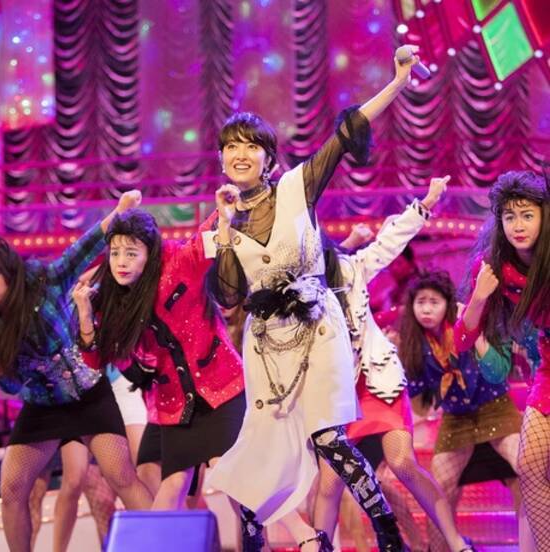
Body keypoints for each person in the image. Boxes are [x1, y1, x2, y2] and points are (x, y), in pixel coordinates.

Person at [202, 49, 427, 552]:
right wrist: (224, 228)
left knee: (328, 438)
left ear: (268, 157)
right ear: (221, 159)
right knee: (253, 456)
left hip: (318, 329)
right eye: (231, 147)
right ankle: (271, 544)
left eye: (251, 146)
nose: (240, 154)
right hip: (267, 348)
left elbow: (345, 135)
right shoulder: (223, 226)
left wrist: (397, 82)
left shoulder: (295, 188)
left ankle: (387, 534)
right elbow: (229, 295)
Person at [0, 191, 154, 552]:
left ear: (11, 274)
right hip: (43, 406)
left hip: (89, 396)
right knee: (12, 488)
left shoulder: (46, 282)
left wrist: (119, 211)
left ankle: (166, 543)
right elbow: (10, 384)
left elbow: (83, 248)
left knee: (120, 475)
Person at [313, 178, 477, 552]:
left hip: (377, 381)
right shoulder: (292, 293)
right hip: (334, 395)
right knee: (330, 481)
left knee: (402, 462)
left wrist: (427, 202)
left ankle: (457, 544)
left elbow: (389, 242)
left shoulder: (352, 268)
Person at [72, 209, 246, 513]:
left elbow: (205, 236)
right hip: (174, 403)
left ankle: (294, 534)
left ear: (149, 253)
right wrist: (85, 315)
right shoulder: (112, 299)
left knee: (227, 472)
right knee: (170, 483)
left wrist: (225, 208)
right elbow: (96, 359)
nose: (121, 262)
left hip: (221, 388)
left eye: (131, 253)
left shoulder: (178, 263)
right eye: (115, 253)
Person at [399, 269, 529, 550]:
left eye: (434, 302)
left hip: (495, 409)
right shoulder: (413, 345)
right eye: (421, 302)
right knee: (438, 485)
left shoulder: (466, 322)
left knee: (526, 468)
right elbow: (419, 401)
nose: (426, 309)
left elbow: (496, 365)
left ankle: (533, 543)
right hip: (456, 420)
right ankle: (442, 548)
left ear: (447, 304)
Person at [456, 170, 548, 550]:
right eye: (509, 216)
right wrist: (479, 297)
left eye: (527, 215)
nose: (518, 226)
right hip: (547, 372)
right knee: (528, 466)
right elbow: (463, 341)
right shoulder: (493, 266)